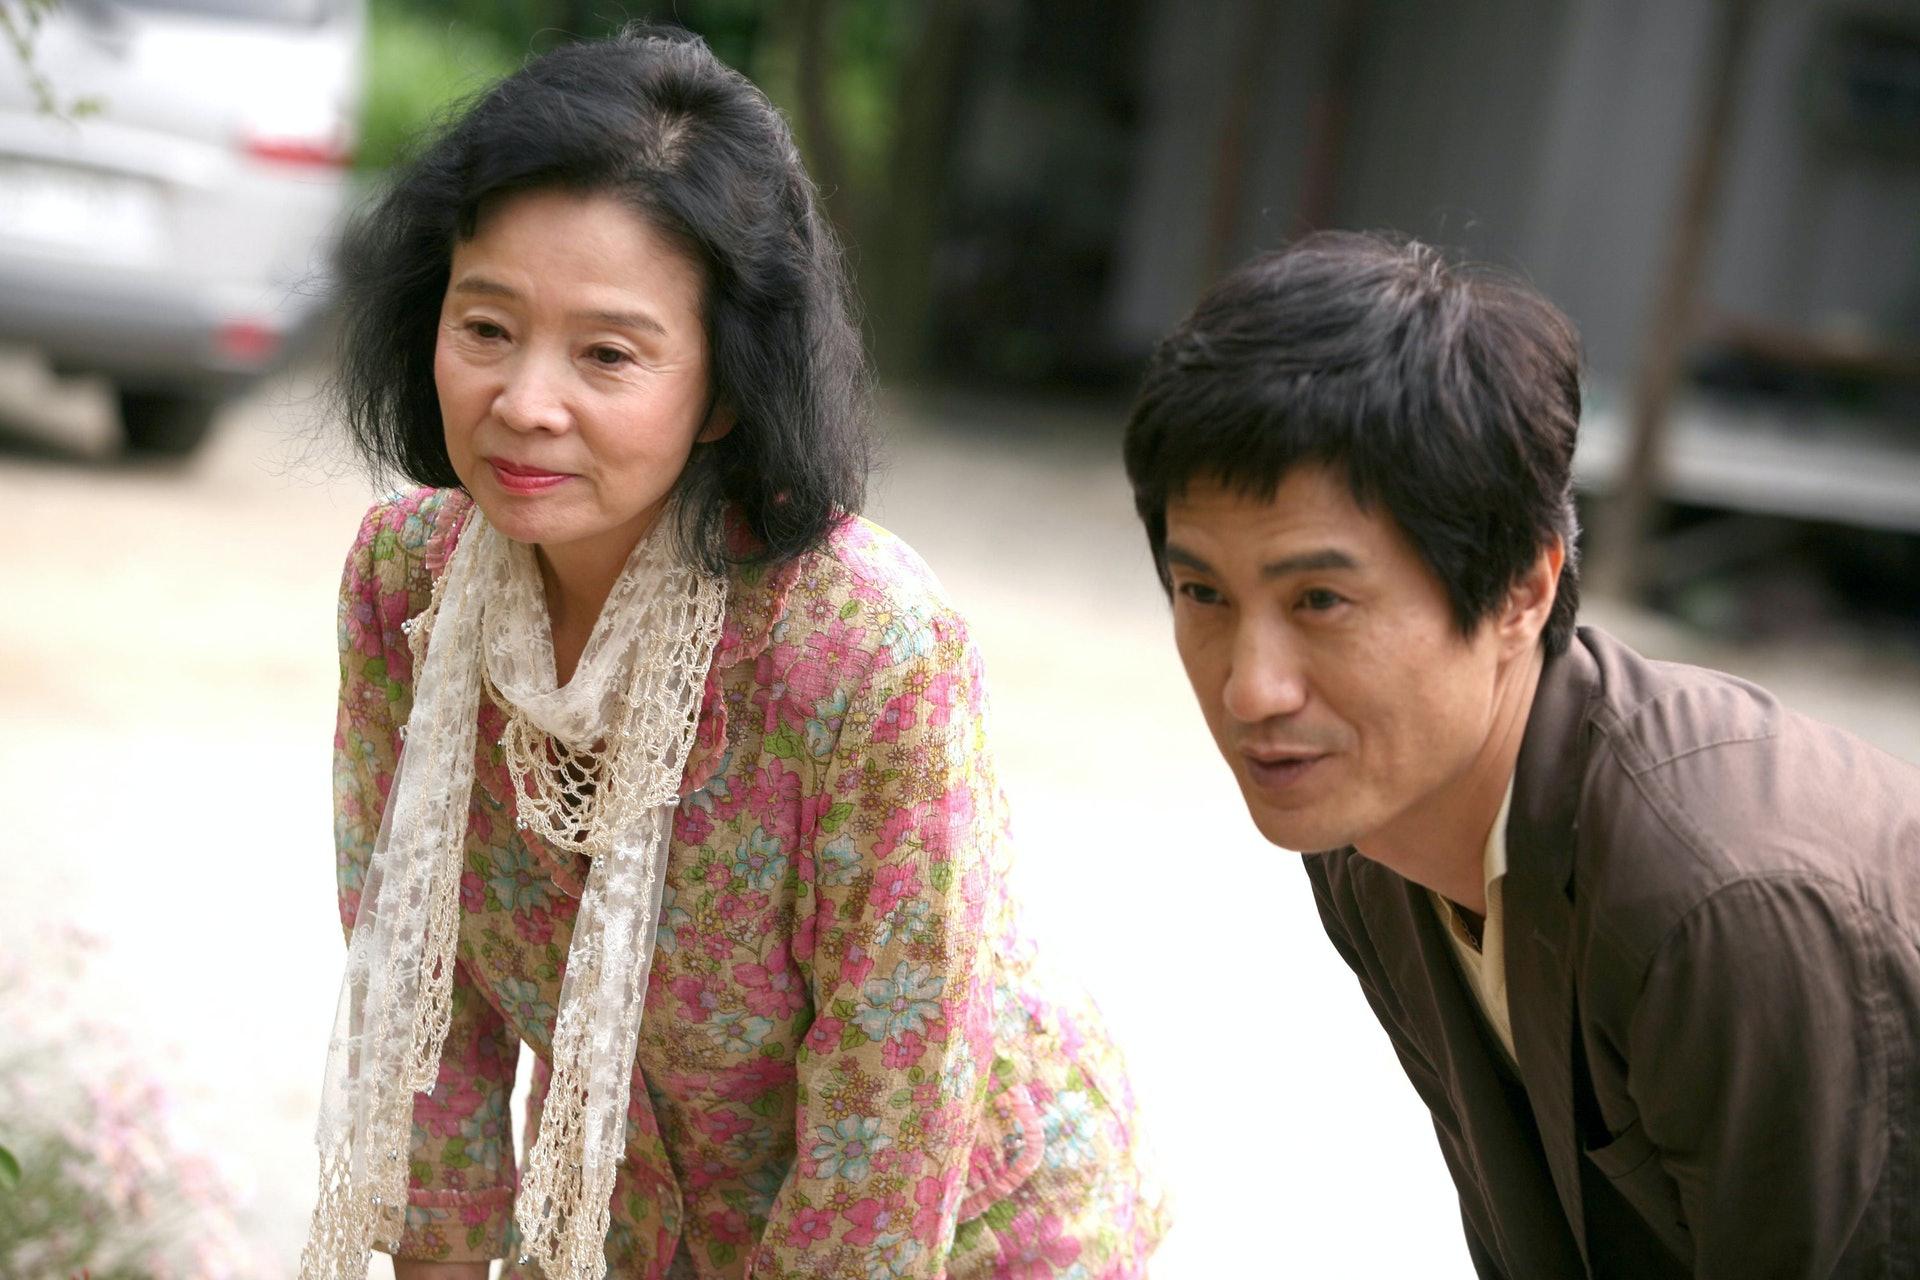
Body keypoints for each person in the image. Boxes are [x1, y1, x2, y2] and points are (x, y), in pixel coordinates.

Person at [302, 28, 1167, 1280]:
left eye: (607, 354)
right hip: (616, 1218)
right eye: (486, 326)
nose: (526, 401)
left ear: (721, 387)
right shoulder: (408, 587)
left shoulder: (866, 651)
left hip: (963, 1234)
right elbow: (419, 990)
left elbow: (892, 1101)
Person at [1122, 231, 1920, 1278]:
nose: (1251, 689)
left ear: (1521, 590)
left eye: (1320, 599)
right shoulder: (1372, 830)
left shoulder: (1718, 899)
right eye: (1203, 593)